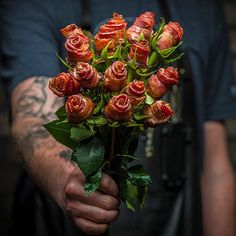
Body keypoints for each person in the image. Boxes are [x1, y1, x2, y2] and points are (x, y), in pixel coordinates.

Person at [0, 0, 236, 235]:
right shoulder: (32, 4)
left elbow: (216, 168)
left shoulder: (202, 8)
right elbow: (32, 118)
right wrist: (63, 176)